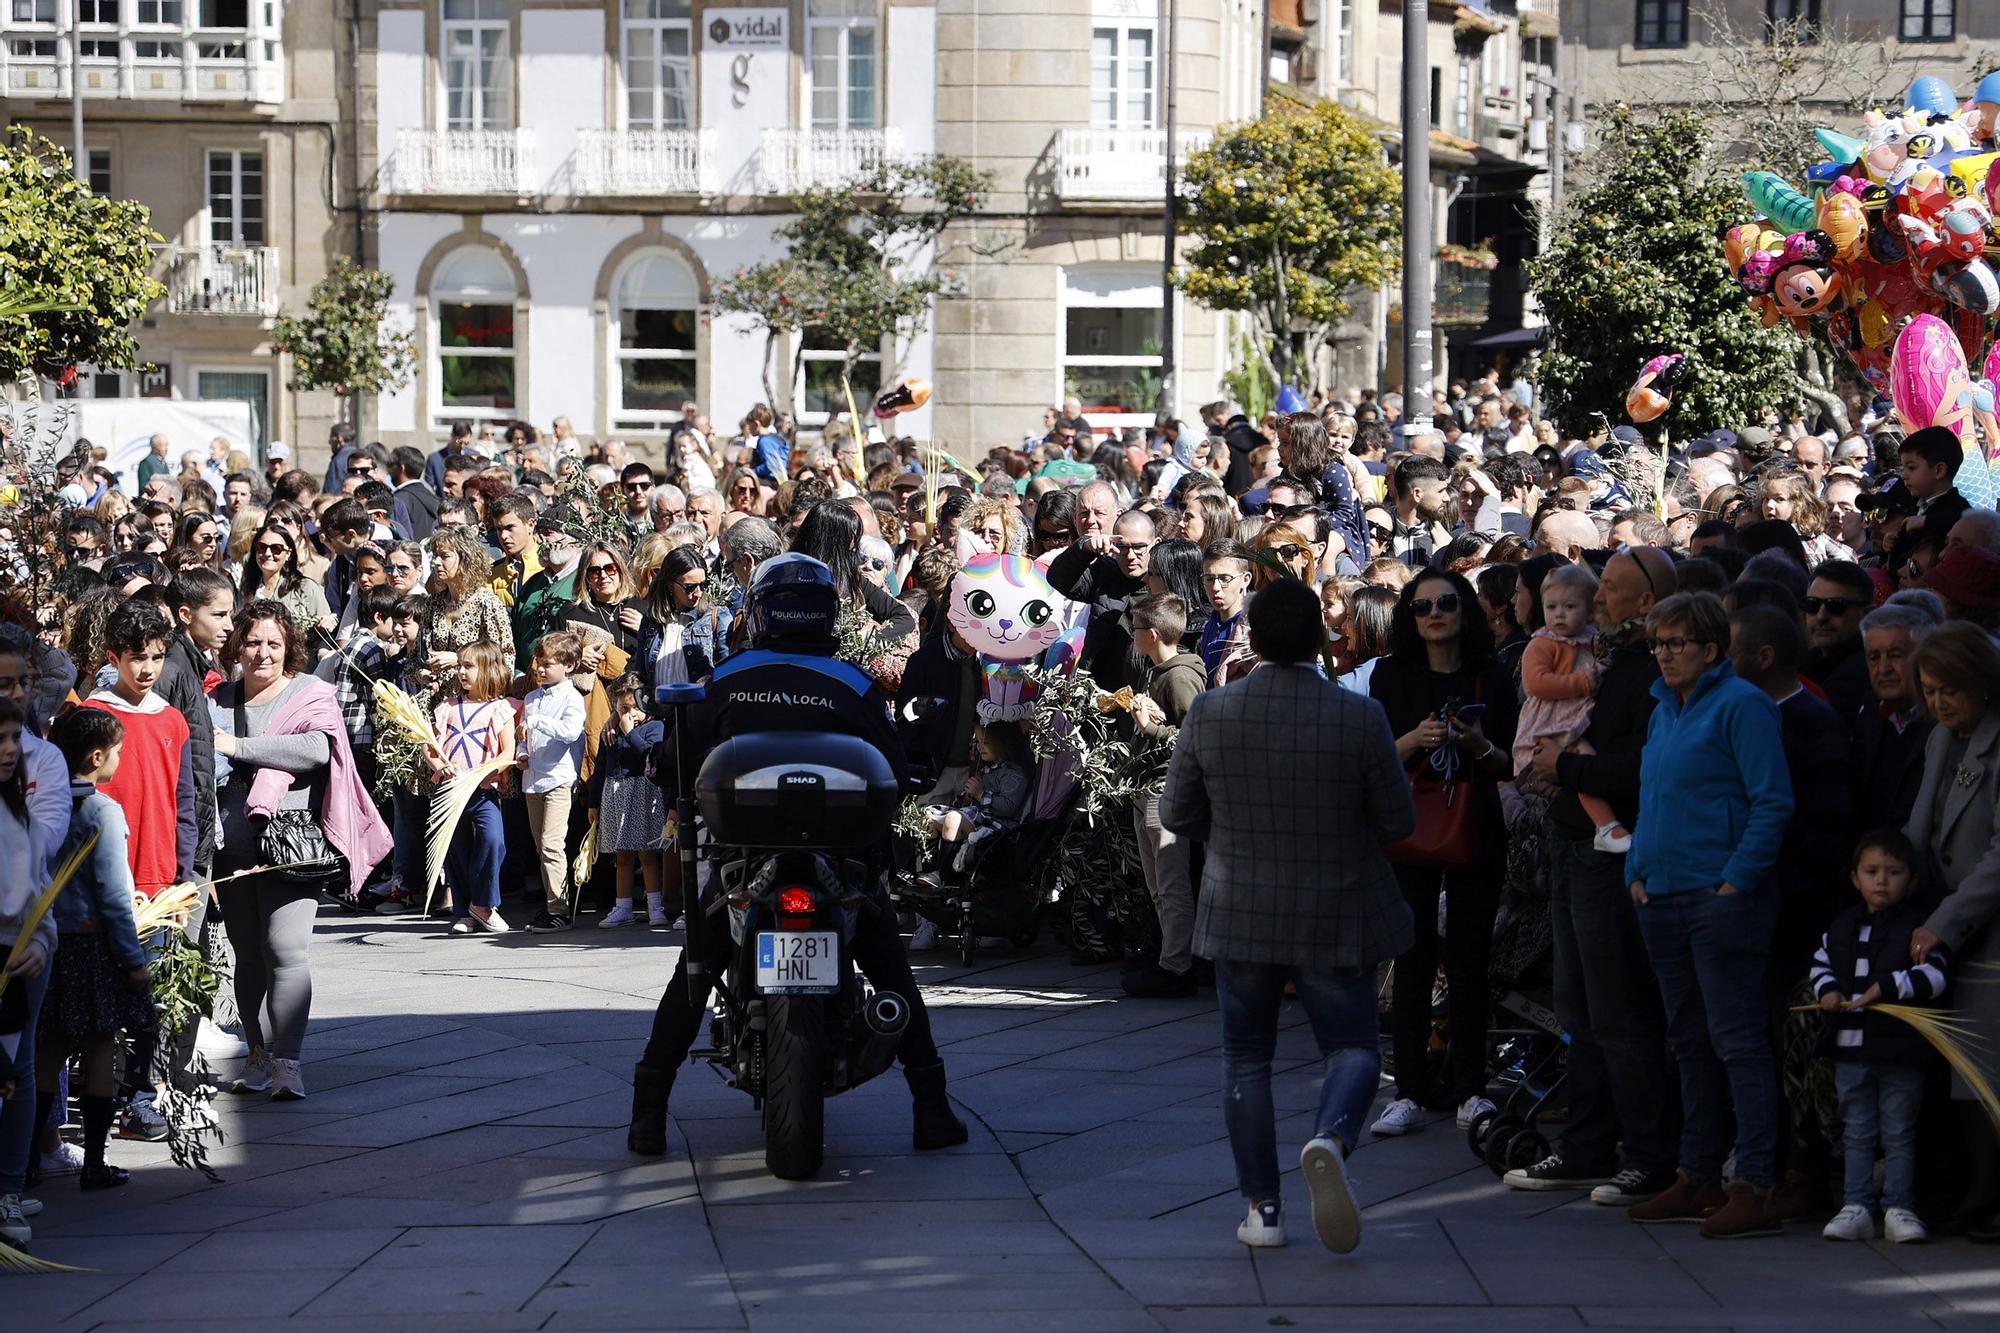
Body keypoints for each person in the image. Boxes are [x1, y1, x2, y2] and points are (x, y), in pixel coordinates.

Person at [628, 555, 967, 1158]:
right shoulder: (854, 684)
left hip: (746, 857)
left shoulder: (724, 679)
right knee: (891, 970)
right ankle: (931, 1107)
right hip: (841, 859)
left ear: (758, 613)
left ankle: (648, 1114)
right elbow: (895, 765)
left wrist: (666, 771)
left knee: (695, 973)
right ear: (828, 614)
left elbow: (677, 760)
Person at [1161, 578, 1416, 1253]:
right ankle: (1330, 1134)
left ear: (1255, 637)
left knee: (1245, 1059)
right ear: (1320, 639)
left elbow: (1176, 814)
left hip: (1238, 905)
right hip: (1336, 907)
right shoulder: (1359, 716)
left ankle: (1262, 1208)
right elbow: (1397, 818)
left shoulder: (1211, 712)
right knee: (1355, 1046)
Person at [1624, 591, 1795, 1238]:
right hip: (1661, 892)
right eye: (1657, 644)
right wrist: (1635, 867)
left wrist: (1735, 882)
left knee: (1738, 1041)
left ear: (1711, 648)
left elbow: (1771, 800)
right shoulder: (1663, 709)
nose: (1662, 654)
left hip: (1717, 897)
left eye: (1675, 643)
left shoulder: (1742, 704)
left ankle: (1752, 1180)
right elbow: (1652, 794)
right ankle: (1696, 1172)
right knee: (1689, 1041)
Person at [211, 602, 391, 1102]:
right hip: (234, 845)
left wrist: (239, 748)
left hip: (294, 844)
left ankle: (288, 1061)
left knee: (286, 952)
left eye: (273, 643)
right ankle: (257, 1054)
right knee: (247, 955)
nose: (262, 653)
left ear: (289, 647)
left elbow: (316, 749)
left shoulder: (311, 693)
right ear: (237, 646)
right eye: (252, 642)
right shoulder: (219, 698)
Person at [1367, 569, 1517, 1136]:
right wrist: (1417, 739)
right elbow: (1376, 753)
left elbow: (1508, 765)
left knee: (1470, 960)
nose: (1435, 614)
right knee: (1411, 957)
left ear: (1465, 612)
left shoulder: (1491, 677)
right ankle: (1407, 1088)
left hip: (1474, 828)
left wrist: (1477, 743)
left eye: (1447, 603)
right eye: (1422, 605)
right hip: (1410, 829)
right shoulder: (1392, 675)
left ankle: (1470, 1088)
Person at [1902, 623, 2000, 1240]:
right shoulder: (1941, 737)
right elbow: (1921, 826)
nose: (1940, 703)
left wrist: (1944, 921)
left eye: (1952, 691)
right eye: (1931, 691)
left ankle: (1992, 1197)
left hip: (1986, 928)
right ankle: (1976, 1192)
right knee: (1962, 1075)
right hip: (1939, 923)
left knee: (1986, 1074)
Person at [1812, 829, 1945, 1245]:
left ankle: (1899, 1206)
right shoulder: (1841, 927)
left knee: (1899, 1130)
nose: (1881, 881)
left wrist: (1886, 986)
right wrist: (1827, 990)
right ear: (1855, 878)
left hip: (1901, 1051)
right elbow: (1820, 964)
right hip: (1851, 1051)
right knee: (1856, 1128)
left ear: (1913, 879)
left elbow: (1935, 977)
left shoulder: (1918, 929)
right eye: (1871, 871)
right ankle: (1855, 1205)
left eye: (1893, 871)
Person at [36, 708, 150, 1191]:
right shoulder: (103, 811)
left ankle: (28, 1158)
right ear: (98, 756)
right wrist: (133, 959)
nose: (121, 759)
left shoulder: (42, 801)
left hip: (46, 941)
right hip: (91, 944)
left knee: (49, 1049)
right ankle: (95, 1162)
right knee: (101, 1041)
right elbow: (114, 896)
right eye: (119, 751)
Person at [1121, 593, 1207, 999]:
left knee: (1172, 884)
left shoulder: (1178, 676)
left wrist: (1152, 729)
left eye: (1136, 628)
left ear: (1152, 634)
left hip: (1165, 791)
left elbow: (1196, 739)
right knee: (1158, 884)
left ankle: (1179, 966)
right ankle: (1169, 956)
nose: (1132, 635)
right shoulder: (1155, 671)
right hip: (1147, 787)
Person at [1512, 563, 1631, 852]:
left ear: (1590, 609)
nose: (1559, 614)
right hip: (1551, 720)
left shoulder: (1592, 639)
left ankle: (1605, 826)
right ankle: (1606, 825)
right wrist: (1582, 682)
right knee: (1581, 759)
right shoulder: (1543, 643)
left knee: (1583, 764)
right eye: (1551, 606)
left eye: (1569, 606)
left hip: (1577, 714)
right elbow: (1535, 684)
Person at [0, 699, 57, 1249]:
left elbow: (39, 886)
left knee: (14, 1074)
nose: (10, 749)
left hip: (14, 961)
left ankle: (8, 1189)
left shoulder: (19, 808)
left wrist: (41, 939)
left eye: (14, 737)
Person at [428, 640, 518, 934]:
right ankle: (465, 911)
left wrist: (485, 773)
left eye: (469, 666)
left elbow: (508, 752)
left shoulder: (499, 709)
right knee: (456, 850)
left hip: (482, 791)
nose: (461, 672)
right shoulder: (448, 707)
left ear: (488, 669)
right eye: (460, 666)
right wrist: (439, 766)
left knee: (493, 840)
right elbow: (430, 748)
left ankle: (484, 904)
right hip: (449, 792)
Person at [588, 673, 672, 930]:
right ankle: (622, 906)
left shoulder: (654, 728)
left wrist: (629, 732)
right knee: (622, 856)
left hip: (642, 793)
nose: (630, 713)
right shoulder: (609, 730)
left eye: (635, 708)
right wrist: (594, 803)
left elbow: (650, 755)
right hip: (616, 794)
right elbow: (600, 768)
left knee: (647, 855)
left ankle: (655, 906)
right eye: (624, 708)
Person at [520, 631, 587, 935]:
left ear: (569, 665)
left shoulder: (572, 697)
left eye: (548, 664)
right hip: (534, 779)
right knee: (540, 846)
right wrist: (522, 752)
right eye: (539, 664)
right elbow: (525, 736)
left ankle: (559, 907)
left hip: (559, 779)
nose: (540, 669)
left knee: (552, 844)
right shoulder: (532, 697)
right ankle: (551, 903)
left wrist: (535, 722)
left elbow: (571, 731)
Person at [1849, 604, 1936, 831]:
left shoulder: (1945, 721)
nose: (1884, 668)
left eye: (1896, 655)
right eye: (1874, 657)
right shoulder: (1867, 714)